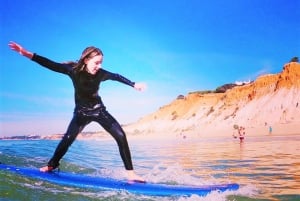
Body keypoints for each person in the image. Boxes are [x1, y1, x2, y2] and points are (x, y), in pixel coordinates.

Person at [8, 41, 146, 182]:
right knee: (68, 139)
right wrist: (26, 53)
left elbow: (116, 76)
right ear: (86, 60)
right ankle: (51, 165)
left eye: (101, 63)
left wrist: (133, 84)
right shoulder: (73, 70)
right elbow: (51, 64)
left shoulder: (101, 74)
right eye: (96, 62)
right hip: (81, 113)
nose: (100, 66)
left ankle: (131, 174)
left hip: (99, 111)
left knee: (121, 135)